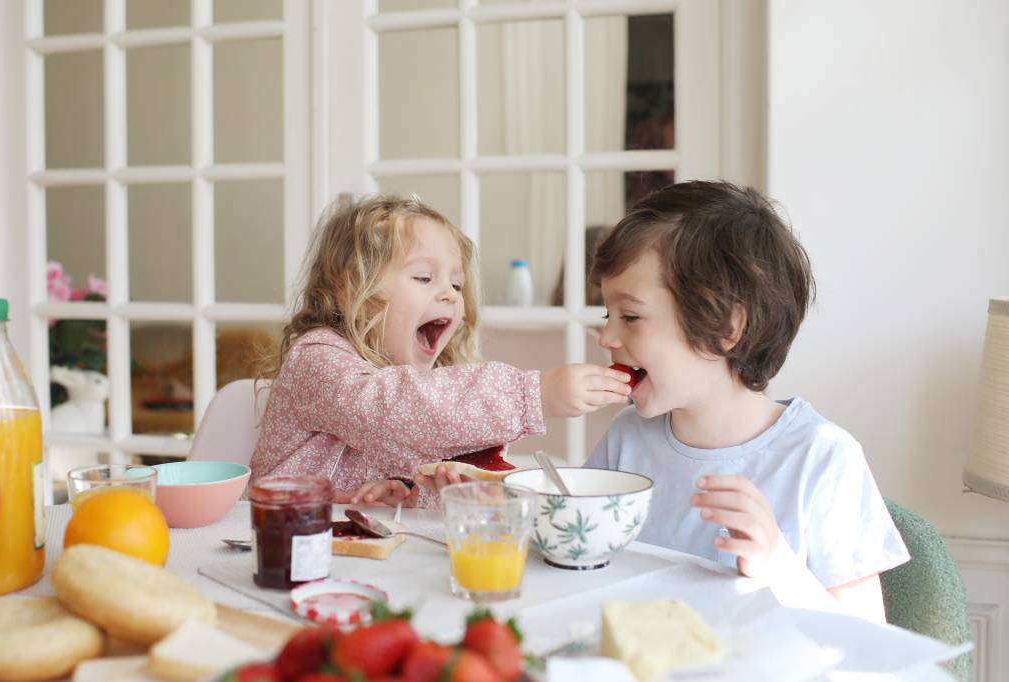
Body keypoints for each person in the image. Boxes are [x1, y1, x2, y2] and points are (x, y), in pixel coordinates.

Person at [586, 181, 908, 623]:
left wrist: (777, 564)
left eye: (631, 316)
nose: (607, 337)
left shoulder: (822, 458)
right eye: (607, 314)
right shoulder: (626, 438)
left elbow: (867, 640)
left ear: (726, 327)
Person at [251, 194, 631, 507]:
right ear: (351, 291)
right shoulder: (318, 357)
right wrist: (532, 395)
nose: (450, 294)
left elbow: (416, 453)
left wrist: (421, 493)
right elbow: (386, 412)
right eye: (423, 277)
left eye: (456, 283)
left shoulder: (431, 389)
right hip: (279, 541)